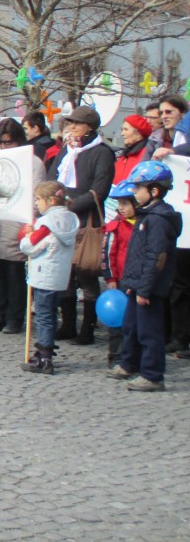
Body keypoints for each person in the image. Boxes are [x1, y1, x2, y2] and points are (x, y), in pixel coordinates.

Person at [109, 160, 182, 391]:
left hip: (149, 288)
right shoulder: (146, 215)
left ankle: (152, 375)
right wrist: (132, 282)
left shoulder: (158, 220)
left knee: (150, 333)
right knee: (131, 327)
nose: (134, 192)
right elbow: (138, 255)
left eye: (138, 188)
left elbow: (155, 257)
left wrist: (145, 288)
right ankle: (129, 364)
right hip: (137, 284)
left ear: (154, 191)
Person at [48, 104, 114, 344]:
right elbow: (52, 177)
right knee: (64, 271)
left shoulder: (102, 152)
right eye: (70, 123)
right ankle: (67, 325)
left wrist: (70, 204)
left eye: (76, 123)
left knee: (86, 273)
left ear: (89, 127)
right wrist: (52, 201)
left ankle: (87, 328)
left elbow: (100, 190)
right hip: (63, 216)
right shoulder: (67, 149)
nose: (71, 127)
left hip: (85, 219)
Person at [0, 118, 47, 333]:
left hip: (16, 223)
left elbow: (36, 196)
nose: (5, 147)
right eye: (2, 143)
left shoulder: (33, 164)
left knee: (14, 274)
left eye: (9, 143)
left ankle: (14, 318)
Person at [19, 181, 80, 374]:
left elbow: (29, 247)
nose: (36, 203)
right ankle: (46, 350)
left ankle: (44, 356)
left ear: (51, 200)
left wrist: (27, 236)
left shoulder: (47, 224)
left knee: (44, 316)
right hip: (60, 276)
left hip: (44, 274)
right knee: (51, 314)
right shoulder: (71, 219)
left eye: (38, 199)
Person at [102, 182, 137, 369]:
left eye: (125, 204)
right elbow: (108, 254)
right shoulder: (115, 226)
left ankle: (132, 356)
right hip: (120, 279)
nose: (121, 209)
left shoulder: (143, 224)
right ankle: (115, 356)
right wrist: (110, 278)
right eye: (119, 204)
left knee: (135, 322)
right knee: (117, 321)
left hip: (137, 280)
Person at [114, 113, 152, 183]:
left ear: (139, 134)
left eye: (126, 129)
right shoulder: (124, 156)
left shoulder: (146, 156)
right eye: (122, 129)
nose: (122, 133)